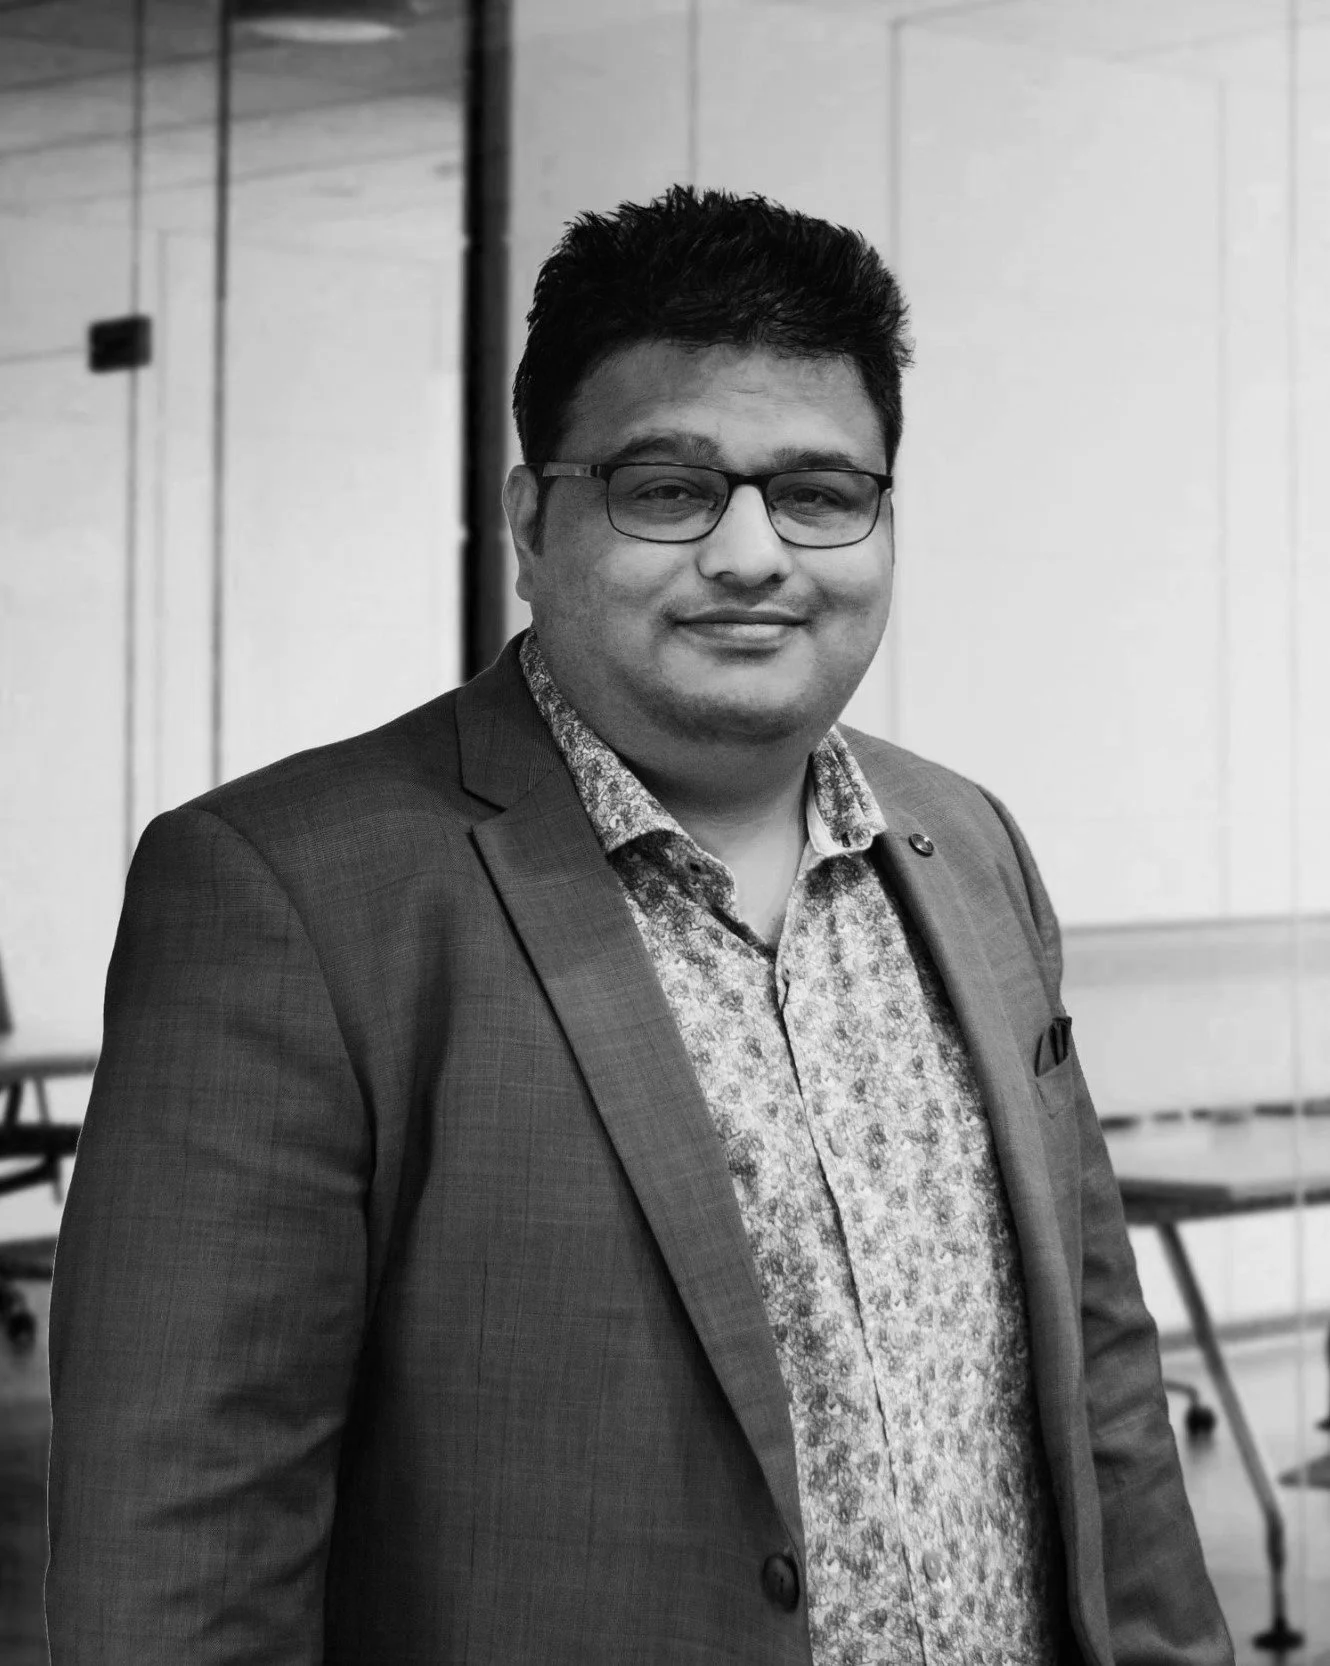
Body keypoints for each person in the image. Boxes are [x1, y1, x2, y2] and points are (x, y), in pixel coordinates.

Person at [46, 185, 1232, 1666]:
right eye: (669, 489)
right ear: (531, 518)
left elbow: (1099, 1384)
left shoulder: (968, 846)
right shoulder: (285, 894)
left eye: (818, 491)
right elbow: (181, 1555)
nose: (751, 554)